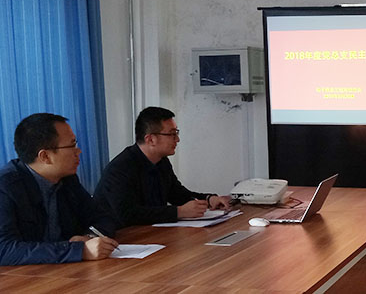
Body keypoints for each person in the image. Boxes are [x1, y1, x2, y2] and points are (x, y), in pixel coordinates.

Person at [0, 113, 118, 265]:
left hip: (64, 269)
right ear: (45, 156)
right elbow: (4, 250)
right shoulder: (6, 187)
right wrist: (77, 251)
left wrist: (88, 238)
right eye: (72, 146)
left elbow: (104, 218)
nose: (78, 151)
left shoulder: (67, 179)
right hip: (24, 276)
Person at [93, 107, 231, 228]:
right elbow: (128, 214)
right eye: (172, 134)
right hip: (121, 238)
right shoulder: (119, 169)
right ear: (150, 139)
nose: (177, 139)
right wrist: (179, 212)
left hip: (152, 232)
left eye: (177, 133)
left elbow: (177, 194)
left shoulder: (161, 161)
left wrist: (208, 200)